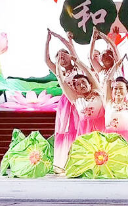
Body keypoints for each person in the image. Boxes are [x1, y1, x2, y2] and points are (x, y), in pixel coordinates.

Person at [45, 30, 80, 171]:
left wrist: (65, 38)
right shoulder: (60, 73)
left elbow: (72, 49)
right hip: (65, 104)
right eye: (59, 57)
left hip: (77, 101)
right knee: (64, 131)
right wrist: (48, 41)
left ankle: (77, 160)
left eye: (64, 55)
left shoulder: (78, 67)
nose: (62, 58)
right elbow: (47, 60)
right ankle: (62, 162)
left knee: (77, 129)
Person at [103, 56, 128, 174]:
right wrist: (116, 65)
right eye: (115, 88)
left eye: (121, 88)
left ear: (127, 90)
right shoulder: (108, 102)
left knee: (127, 169)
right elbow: (108, 81)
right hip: (109, 137)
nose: (118, 91)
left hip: (126, 137)